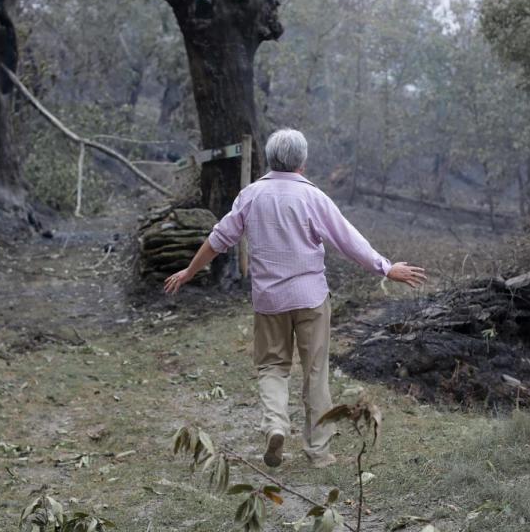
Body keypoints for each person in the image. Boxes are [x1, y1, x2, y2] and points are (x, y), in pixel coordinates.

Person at [163, 129, 426, 468]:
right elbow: (348, 240)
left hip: (269, 300)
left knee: (272, 366)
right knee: (316, 373)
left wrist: (189, 271)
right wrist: (385, 268)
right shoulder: (312, 197)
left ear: (271, 159)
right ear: (302, 161)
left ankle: (275, 425)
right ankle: (318, 452)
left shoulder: (251, 195)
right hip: (311, 299)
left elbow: (219, 239)